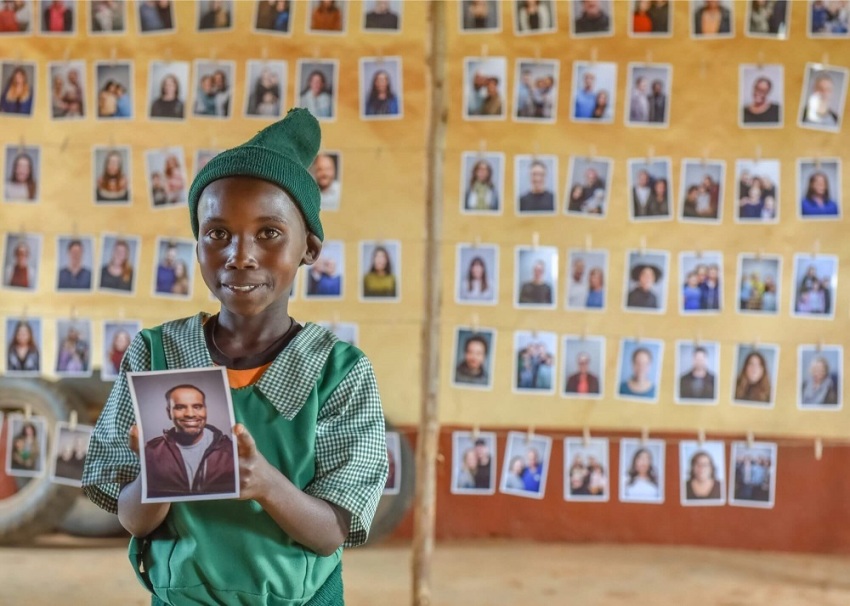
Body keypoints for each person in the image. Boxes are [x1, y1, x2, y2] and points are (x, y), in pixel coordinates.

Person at [82, 109, 388, 604]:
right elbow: (131, 519)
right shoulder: (158, 355)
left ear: (309, 248)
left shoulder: (338, 371)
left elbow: (331, 531)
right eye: (217, 233)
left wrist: (265, 483)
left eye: (269, 233)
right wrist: (155, 475)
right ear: (198, 242)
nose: (239, 255)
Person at [143, 384, 236, 498]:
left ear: (205, 410)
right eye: (180, 407)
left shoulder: (231, 450)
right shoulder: (150, 451)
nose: (190, 414)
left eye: (197, 407)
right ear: (169, 412)